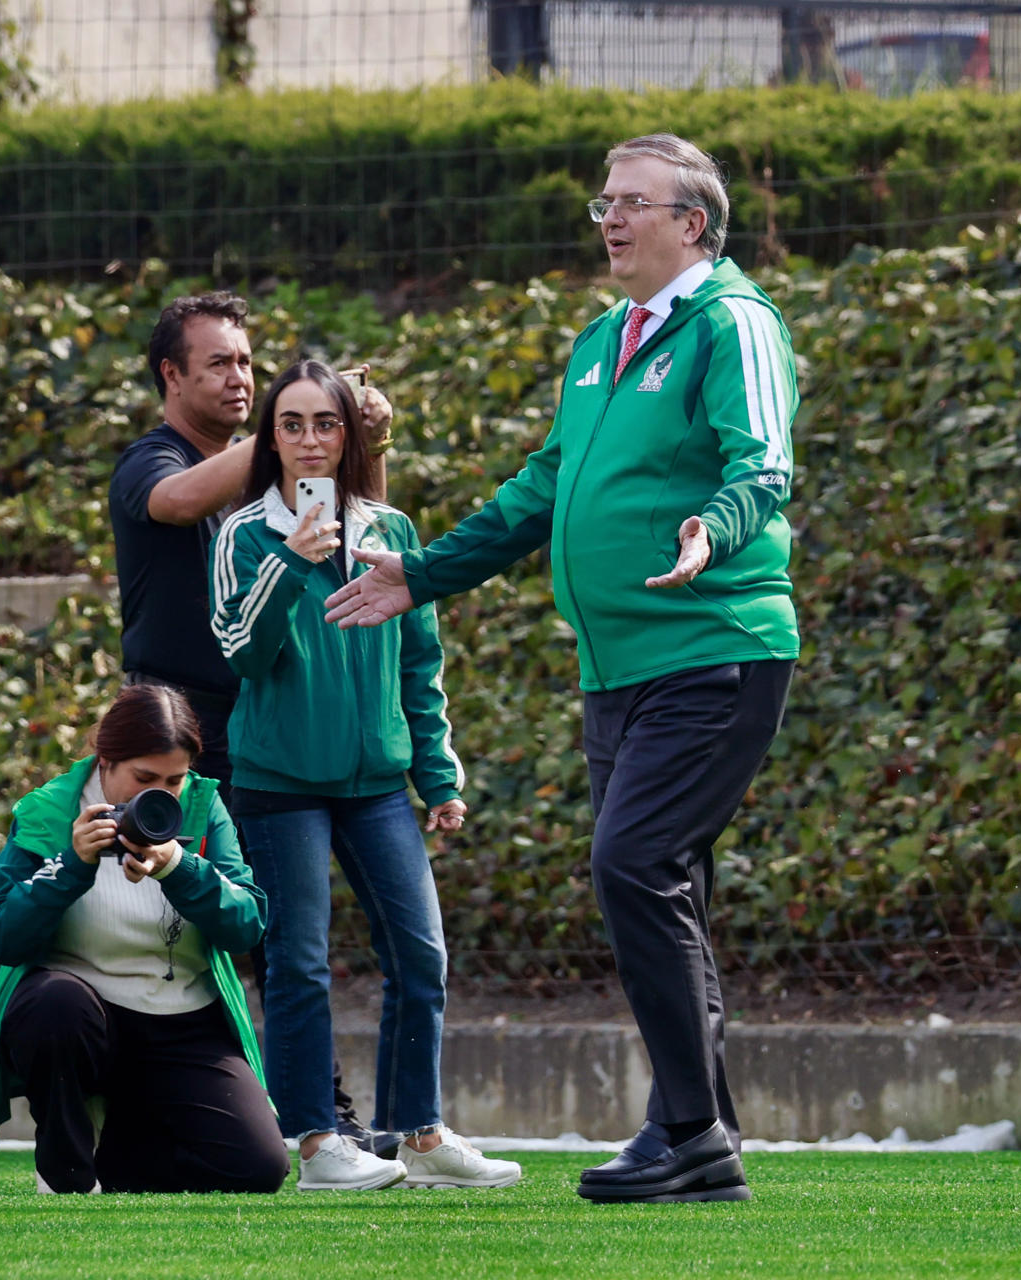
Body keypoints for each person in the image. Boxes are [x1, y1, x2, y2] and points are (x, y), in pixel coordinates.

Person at [326, 134, 799, 1203]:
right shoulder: (601, 339)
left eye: (634, 203)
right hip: (616, 665)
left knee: (632, 863)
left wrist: (712, 532)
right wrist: (425, 573)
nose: (611, 220)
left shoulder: (735, 321)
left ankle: (686, 1127)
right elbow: (546, 485)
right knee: (662, 880)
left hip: (715, 645)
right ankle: (703, 1128)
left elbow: (761, 460)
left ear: (695, 225)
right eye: (604, 203)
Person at [209, 358, 522, 1192]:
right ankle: (317, 1145)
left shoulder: (395, 530)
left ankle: (416, 1136)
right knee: (299, 963)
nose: (310, 441)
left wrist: (439, 775)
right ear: (270, 439)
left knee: (421, 954)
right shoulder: (242, 536)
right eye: (293, 424)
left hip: (379, 784)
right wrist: (289, 562)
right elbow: (242, 653)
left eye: (327, 423)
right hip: (280, 785)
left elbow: (421, 663)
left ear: (349, 435)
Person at [108, 291, 391, 1149]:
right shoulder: (148, 463)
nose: (241, 379)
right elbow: (178, 502)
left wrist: (357, 436)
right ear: (171, 375)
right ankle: (197, 1112)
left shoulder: (272, 476)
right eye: (221, 364)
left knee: (280, 930)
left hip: (272, 717)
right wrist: (286, 433)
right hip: (184, 736)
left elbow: (358, 533)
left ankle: (322, 1120)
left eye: (249, 364)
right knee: (189, 924)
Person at [0, 683, 290, 1195]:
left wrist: (180, 868)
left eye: (173, 780)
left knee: (259, 1170)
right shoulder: (48, 811)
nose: (156, 794)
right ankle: (65, 1168)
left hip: (183, 1017)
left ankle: (117, 1143)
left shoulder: (205, 806)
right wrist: (71, 866)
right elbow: (5, 938)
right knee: (52, 1003)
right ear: (106, 761)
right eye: (142, 778)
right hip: (82, 1013)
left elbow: (247, 925)